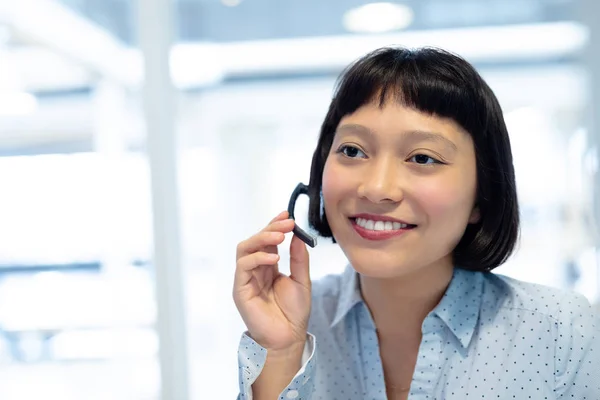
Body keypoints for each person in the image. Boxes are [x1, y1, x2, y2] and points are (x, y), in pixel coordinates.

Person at [232, 47, 600, 400]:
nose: (376, 188)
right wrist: (280, 354)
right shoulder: (295, 317)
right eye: (353, 151)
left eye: (422, 158)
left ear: (481, 197)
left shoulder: (560, 330)